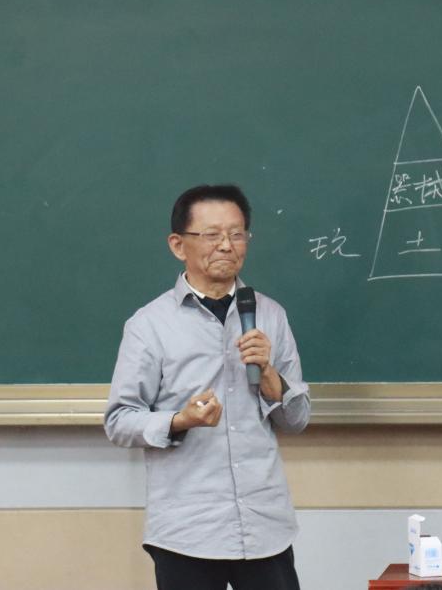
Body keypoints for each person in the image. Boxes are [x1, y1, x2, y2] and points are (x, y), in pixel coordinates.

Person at [105, 184, 310, 590]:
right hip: (188, 530)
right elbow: (119, 420)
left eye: (237, 234)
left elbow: (298, 419)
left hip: (264, 524)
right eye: (212, 235)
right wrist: (179, 420)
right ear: (178, 245)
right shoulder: (149, 325)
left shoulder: (269, 314)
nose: (227, 246)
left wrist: (271, 378)